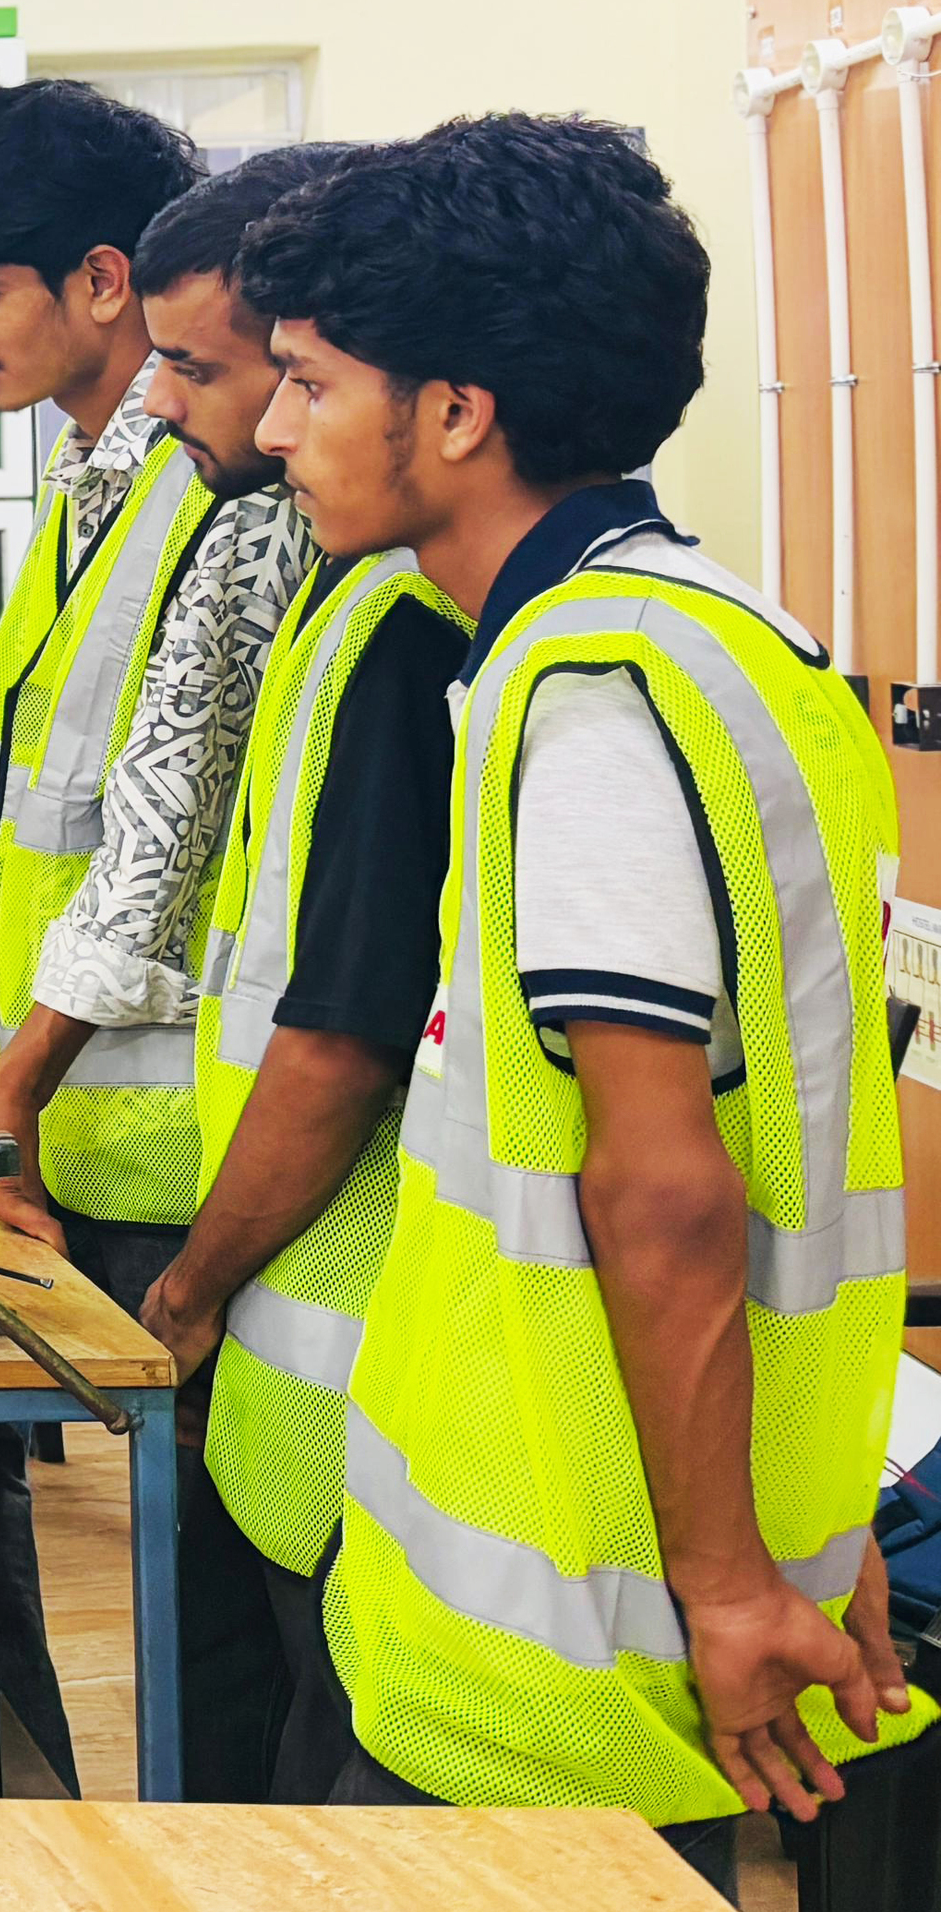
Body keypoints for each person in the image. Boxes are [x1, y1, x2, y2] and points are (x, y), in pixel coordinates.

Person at [240, 115, 931, 1888]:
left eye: (311, 385)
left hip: (561, 1644)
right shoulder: (728, 641)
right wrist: (803, 1513)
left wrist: (722, 1572)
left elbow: (670, 1186)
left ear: (456, 414)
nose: (270, 428)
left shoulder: (593, 692)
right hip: (616, 1578)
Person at [0, 77, 307, 1798]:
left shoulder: (225, 496)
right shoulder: (89, 475)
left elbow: (154, 854)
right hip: (42, 1137)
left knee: (225, 1620)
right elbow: (17, 821)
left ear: (109, 280)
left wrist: (8, 1097)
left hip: (156, 1150)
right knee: (144, 1602)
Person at [90, 144, 450, 1806]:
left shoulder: (413, 638)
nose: (189, 410)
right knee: (262, 1733)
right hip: (305, 1346)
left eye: (281, 376)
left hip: (363, 1344)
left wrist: (193, 1276)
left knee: (332, 1776)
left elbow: (338, 1033)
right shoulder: (315, 585)